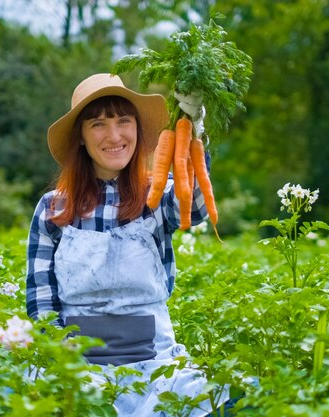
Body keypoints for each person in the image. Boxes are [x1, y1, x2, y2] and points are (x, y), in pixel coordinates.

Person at [25, 73, 229, 416]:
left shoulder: (157, 195)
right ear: (81, 138)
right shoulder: (52, 209)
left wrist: (193, 129)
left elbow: (193, 210)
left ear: (137, 129)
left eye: (123, 121)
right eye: (98, 124)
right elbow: (42, 302)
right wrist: (68, 365)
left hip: (156, 364)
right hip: (81, 365)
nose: (114, 136)